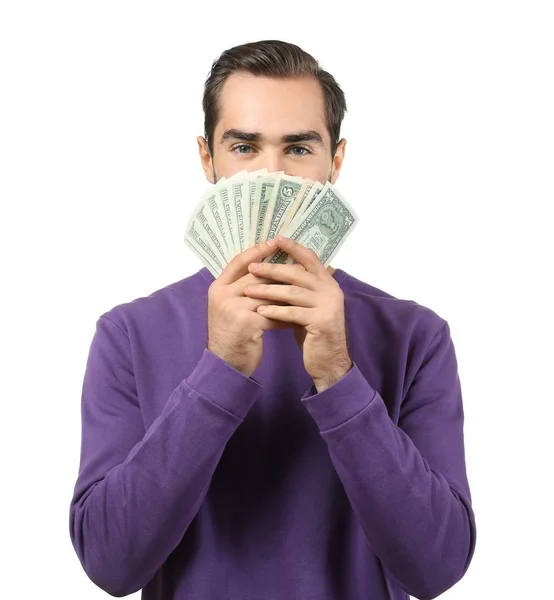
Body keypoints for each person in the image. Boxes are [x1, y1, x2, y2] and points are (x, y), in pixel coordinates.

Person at [69, 40, 476, 599]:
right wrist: (219, 372)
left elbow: (438, 568)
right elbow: (111, 565)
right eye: (243, 146)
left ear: (335, 162)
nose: (271, 174)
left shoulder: (415, 336)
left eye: (299, 148)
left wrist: (338, 374)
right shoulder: (129, 334)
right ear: (207, 159)